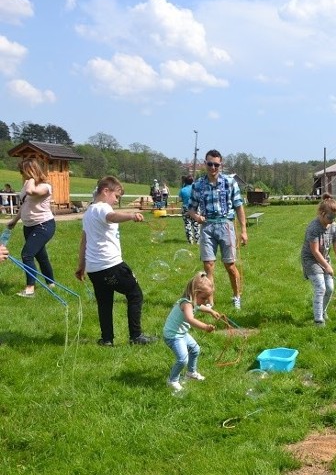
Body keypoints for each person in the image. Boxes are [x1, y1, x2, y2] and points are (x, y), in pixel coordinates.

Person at [75, 176, 156, 346]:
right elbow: (112, 216)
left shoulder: (89, 212)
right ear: (105, 191)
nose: (116, 200)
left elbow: (84, 241)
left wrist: (81, 265)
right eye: (116, 196)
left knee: (104, 303)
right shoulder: (102, 208)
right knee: (135, 294)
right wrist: (131, 216)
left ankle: (107, 339)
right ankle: (136, 336)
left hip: (94, 269)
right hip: (111, 265)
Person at [187, 150, 248, 310]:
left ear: (221, 165)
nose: (213, 167)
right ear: (205, 164)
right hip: (207, 226)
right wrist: (196, 217)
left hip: (226, 225)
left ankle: (236, 296)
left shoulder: (229, 182)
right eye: (210, 164)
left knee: (230, 265)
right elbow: (191, 209)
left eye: (216, 164)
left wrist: (243, 230)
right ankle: (210, 301)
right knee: (208, 266)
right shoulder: (198, 185)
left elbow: (239, 207)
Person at [6, 160, 57, 297]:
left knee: (27, 254)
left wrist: (31, 179)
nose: (21, 174)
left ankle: (30, 289)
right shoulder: (27, 184)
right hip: (28, 226)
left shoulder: (45, 187)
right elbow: (24, 205)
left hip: (44, 225)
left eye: (22, 171)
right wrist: (14, 221)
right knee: (41, 256)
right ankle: (51, 284)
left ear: (29, 172)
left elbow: (31, 191)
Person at [164, 271, 222, 392]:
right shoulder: (186, 304)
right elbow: (190, 319)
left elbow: (199, 306)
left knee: (195, 350)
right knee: (182, 359)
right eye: (204, 298)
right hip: (173, 336)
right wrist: (205, 327)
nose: (206, 301)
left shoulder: (193, 301)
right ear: (195, 292)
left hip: (182, 334)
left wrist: (211, 311)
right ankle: (172, 380)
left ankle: (191, 373)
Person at [300, 194, 336, 326]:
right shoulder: (314, 227)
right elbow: (315, 251)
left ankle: (322, 311)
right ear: (322, 213)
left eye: (335, 217)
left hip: (324, 259)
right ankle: (318, 320)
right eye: (330, 217)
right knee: (321, 287)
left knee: (330, 288)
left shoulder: (334, 227)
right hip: (311, 260)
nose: (332, 221)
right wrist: (327, 267)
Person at [179, 175, 199, 244]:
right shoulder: (195, 188)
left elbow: (180, 199)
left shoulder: (182, 190)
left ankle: (190, 240)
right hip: (195, 207)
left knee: (188, 224)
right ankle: (197, 240)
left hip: (185, 207)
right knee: (196, 224)